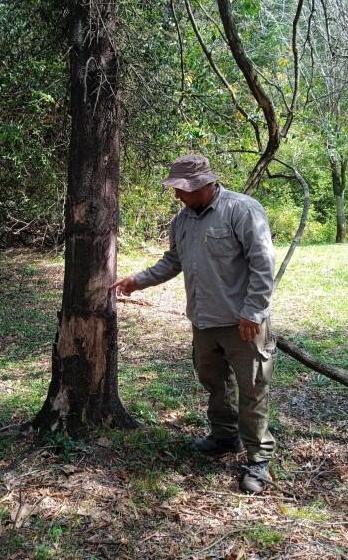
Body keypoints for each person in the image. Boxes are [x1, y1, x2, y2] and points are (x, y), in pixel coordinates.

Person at [111, 155, 276, 494]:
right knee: (214, 382)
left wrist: (253, 312)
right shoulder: (182, 220)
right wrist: (137, 281)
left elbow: (263, 264)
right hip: (203, 321)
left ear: (203, 185)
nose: (176, 195)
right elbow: (174, 260)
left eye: (181, 189)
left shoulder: (242, 210)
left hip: (243, 322)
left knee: (252, 388)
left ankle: (258, 460)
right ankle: (224, 437)